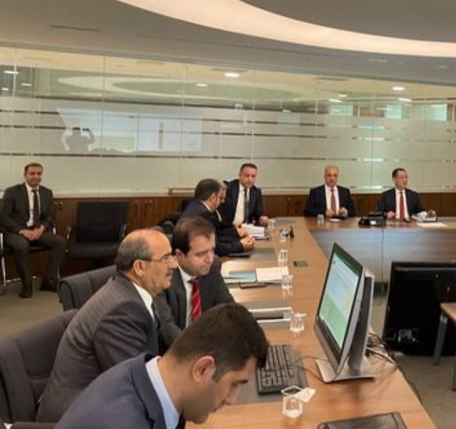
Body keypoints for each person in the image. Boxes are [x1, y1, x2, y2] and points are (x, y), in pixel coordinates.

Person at [37, 229, 181, 423]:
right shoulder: (122, 311)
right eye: (166, 258)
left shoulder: (130, 292)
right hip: (77, 417)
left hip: (101, 402)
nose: (174, 264)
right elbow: (138, 385)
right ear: (139, 267)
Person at [56, 303, 269, 429]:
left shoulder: (143, 373)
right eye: (234, 384)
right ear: (202, 369)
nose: (232, 400)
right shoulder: (123, 421)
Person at [0, 162, 66, 297]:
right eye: (32, 173)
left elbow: (50, 216)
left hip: (37, 230)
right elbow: (4, 218)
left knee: (60, 242)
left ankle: (48, 280)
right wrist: (23, 231)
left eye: (39, 173)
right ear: (25, 175)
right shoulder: (12, 192)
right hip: (16, 232)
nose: (36, 176)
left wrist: (41, 229)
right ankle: (27, 285)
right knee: (22, 246)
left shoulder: (47, 192)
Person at [158, 217, 234, 330]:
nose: (209, 259)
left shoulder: (212, 266)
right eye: (201, 254)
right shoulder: (162, 277)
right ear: (180, 255)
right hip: (177, 340)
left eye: (212, 250)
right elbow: (167, 328)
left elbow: (229, 310)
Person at [181, 179, 254, 257]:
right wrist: (241, 245)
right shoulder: (204, 214)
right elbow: (216, 248)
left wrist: (238, 240)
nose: (222, 202)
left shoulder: (194, 206)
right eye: (219, 198)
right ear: (213, 198)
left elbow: (218, 236)